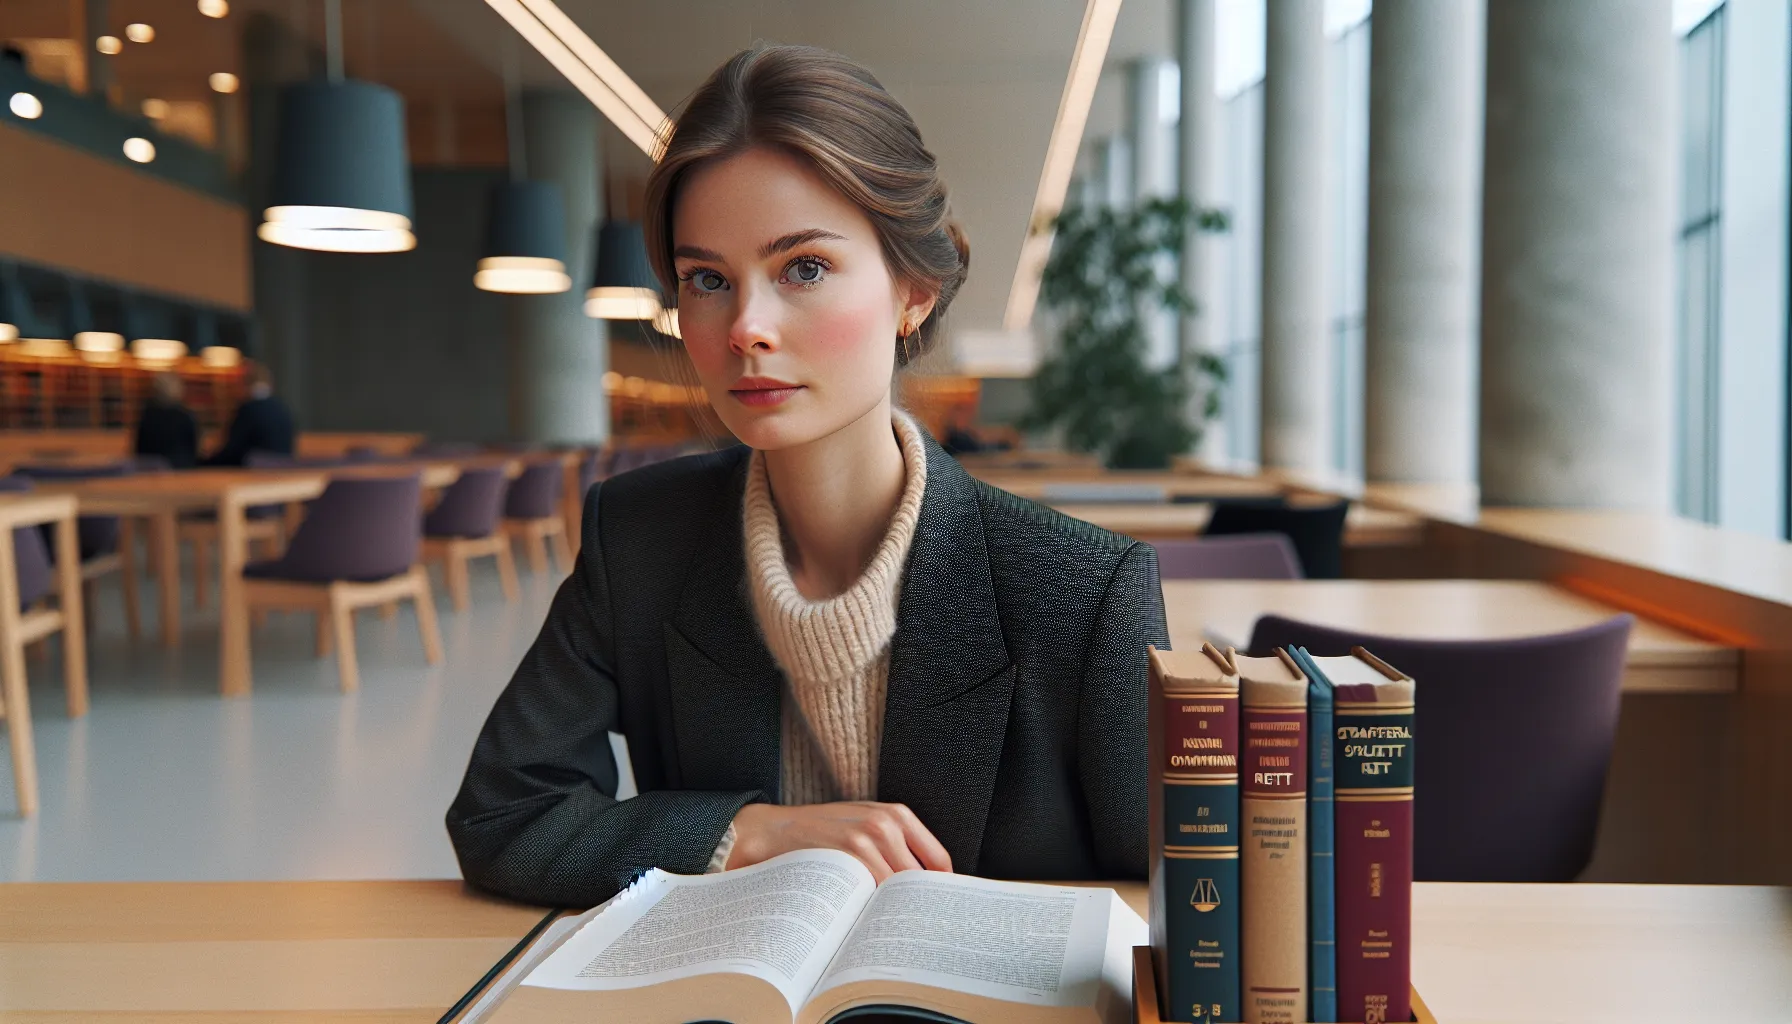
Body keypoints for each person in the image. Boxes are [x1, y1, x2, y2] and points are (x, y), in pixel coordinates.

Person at [447, 45, 1168, 909]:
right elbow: (502, 815)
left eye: (805, 268)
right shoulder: (639, 539)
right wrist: (747, 831)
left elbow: (1171, 897)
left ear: (915, 291)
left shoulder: (1085, 592)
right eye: (707, 279)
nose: (745, 326)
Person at [204, 363, 294, 466]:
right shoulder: (283, 409)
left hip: (253, 474)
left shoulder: (249, 409)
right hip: (283, 474)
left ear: (244, 384)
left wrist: (204, 462)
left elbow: (233, 452)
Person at [133, 372, 199, 469]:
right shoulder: (186, 416)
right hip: (182, 468)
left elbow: (139, 449)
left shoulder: (148, 416)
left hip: (149, 470)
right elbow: (193, 448)